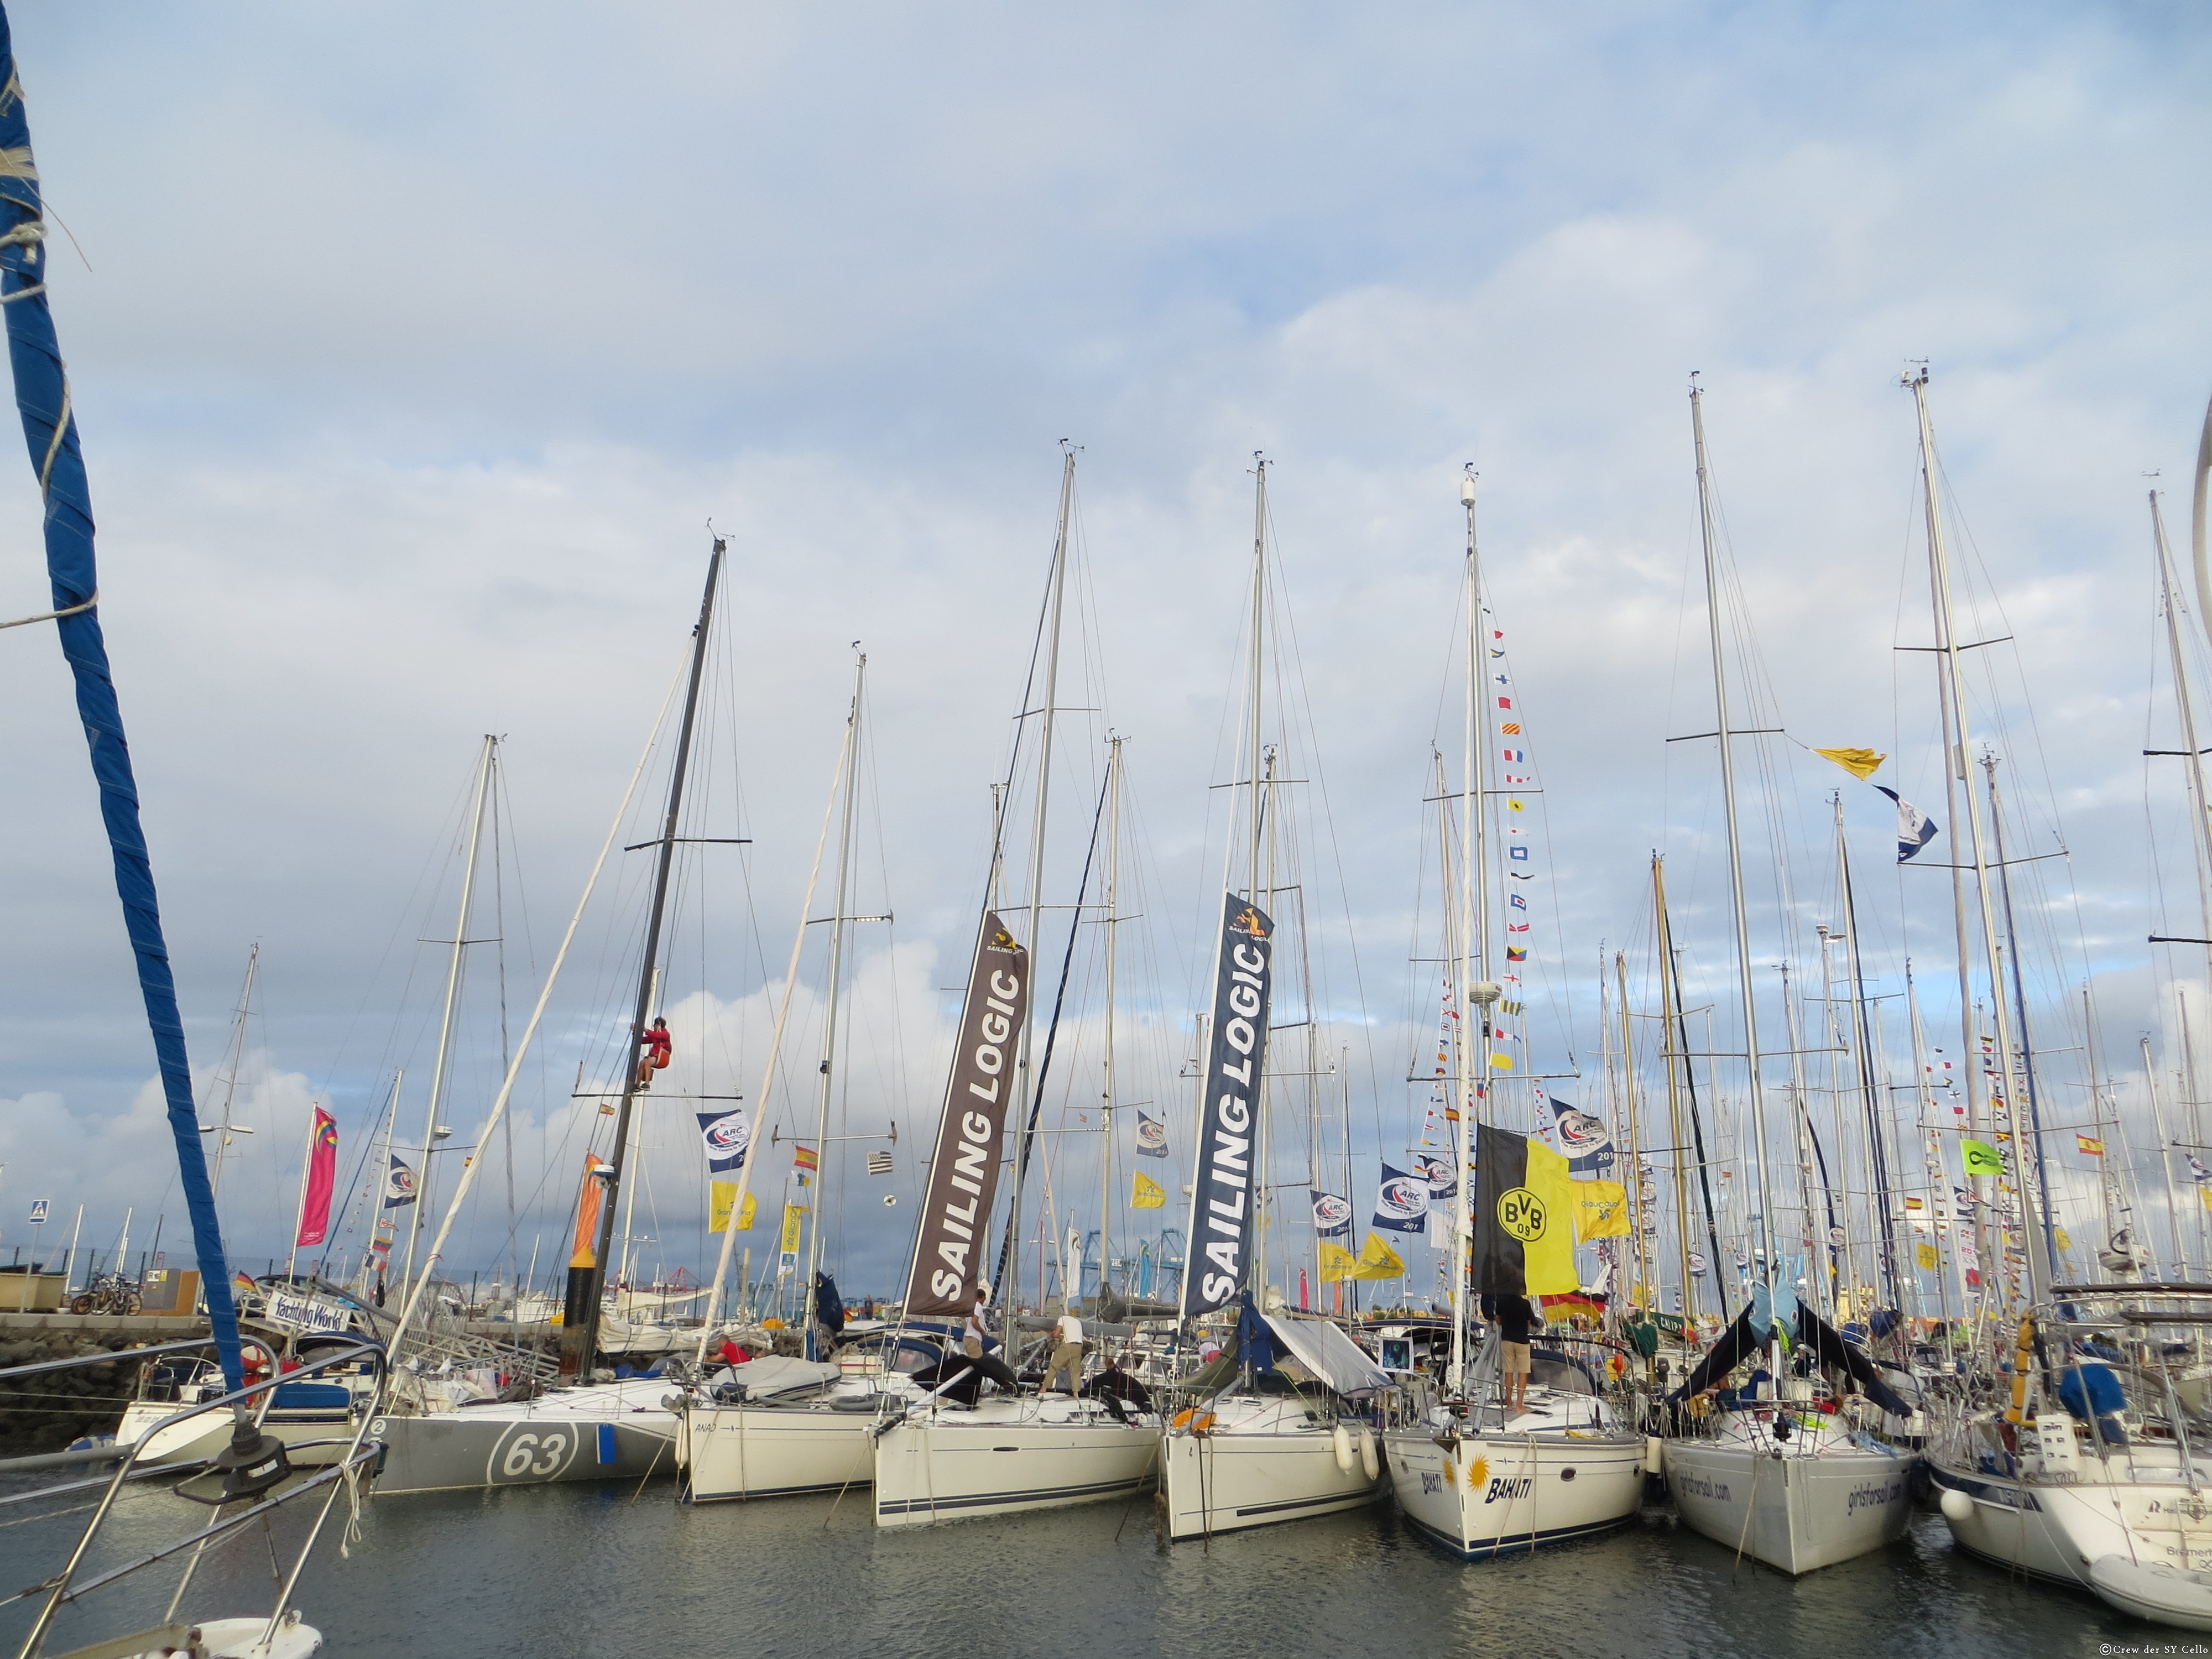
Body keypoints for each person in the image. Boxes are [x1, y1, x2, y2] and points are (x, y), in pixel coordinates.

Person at [1497, 1293, 1536, 1414]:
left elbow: (1499, 1321)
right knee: (1523, 1372)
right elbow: (1529, 1323)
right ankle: (1520, 1405)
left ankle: (1509, 1404)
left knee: (1509, 1372)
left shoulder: (1501, 1301)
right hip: (1522, 1341)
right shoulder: (1526, 1304)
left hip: (1507, 1340)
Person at [1044, 1306, 1086, 1395]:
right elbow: (1063, 1337)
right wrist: (1057, 1336)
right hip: (1079, 1346)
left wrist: (1052, 1335)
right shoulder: (1078, 1322)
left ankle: (1045, 1388)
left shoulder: (1062, 1319)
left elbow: (1057, 1334)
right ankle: (1076, 1392)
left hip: (1068, 1346)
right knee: (1075, 1371)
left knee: (1054, 1366)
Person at [635, 1018, 672, 1089]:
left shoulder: (665, 1034)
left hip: (662, 1057)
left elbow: (657, 1036)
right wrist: (635, 1032)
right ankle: (637, 1084)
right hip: (656, 1056)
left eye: (654, 1025)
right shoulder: (655, 1036)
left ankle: (647, 1083)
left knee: (647, 1062)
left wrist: (646, 1030)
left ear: (658, 1025)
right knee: (642, 1063)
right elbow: (642, 1040)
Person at [963, 1282, 992, 1358]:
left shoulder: (971, 1306)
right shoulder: (978, 1306)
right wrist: (982, 1332)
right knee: (978, 1361)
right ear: (983, 1298)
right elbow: (974, 1322)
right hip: (973, 1338)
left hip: (967, 1337)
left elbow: (967, 1323)